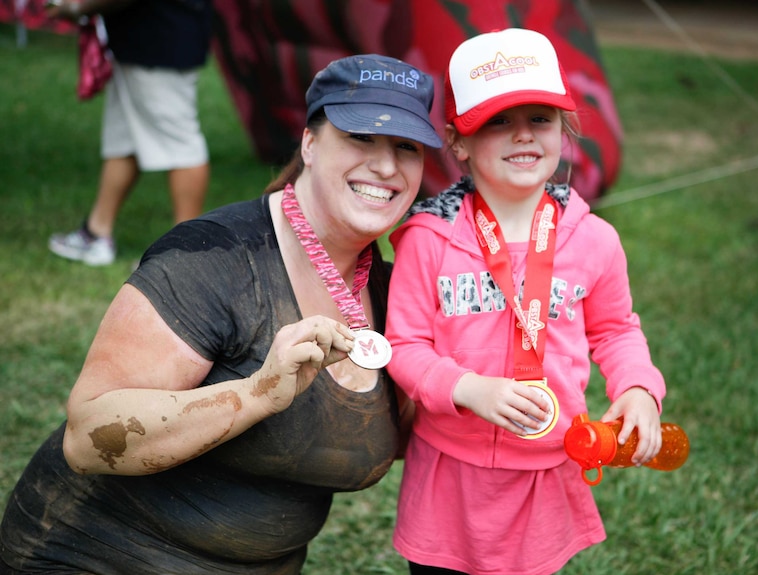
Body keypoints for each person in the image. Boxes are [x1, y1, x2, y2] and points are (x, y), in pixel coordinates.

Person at [0, 53, 441, 574]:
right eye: (362, 138)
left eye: (406, 147)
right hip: (94, 555)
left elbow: (411, 432)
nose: (386, 166)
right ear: (310, 143)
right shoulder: (213, 258)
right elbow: (88, 437)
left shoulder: (394, 290)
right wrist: (255, 394)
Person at [384, 28, 667, 575]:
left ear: (564, 131)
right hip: (450, 472)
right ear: (458, 141)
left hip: (548, 469)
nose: (523, 136)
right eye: (498, 121)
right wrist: (468, 388)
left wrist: (639, 389)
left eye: (539, 118)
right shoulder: (426, 238)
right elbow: (404, 344)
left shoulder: (595, 240)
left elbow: (616, 330)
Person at [46, 0, 213, 266]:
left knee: (182, 148)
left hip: (162, 44)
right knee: (125, 140)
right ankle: (96, 233)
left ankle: (186, 255)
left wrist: (76, 6)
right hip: (143, 41)